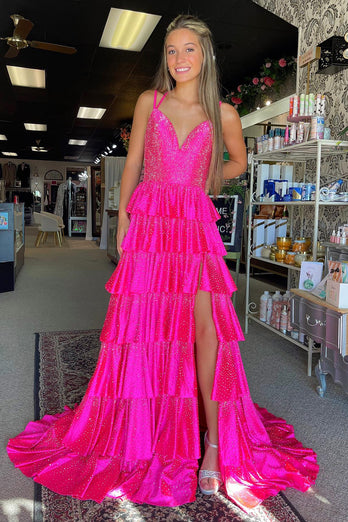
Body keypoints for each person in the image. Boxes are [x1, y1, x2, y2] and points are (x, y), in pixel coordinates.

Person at [7, 14, 318, 511]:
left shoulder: (225, 114)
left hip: (193, 229)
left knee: (206, 332)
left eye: (188, 49)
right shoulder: (149, 101)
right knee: (146, 327)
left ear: (206, 54)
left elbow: (238, 162)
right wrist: (126, 217)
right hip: (151, 227)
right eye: (171, 51)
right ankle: (145, 426)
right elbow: (132, 164)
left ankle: (214, 444)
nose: (179, 59)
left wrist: (204, 181)